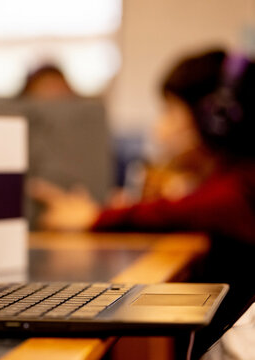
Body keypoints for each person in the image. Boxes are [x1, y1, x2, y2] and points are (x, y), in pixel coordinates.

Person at [30, 49, 255, 356]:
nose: (160, 125)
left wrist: (95, 217)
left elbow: (206, 206)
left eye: (170, 110)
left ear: (213, 119)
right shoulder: (232, 177)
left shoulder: (237, 188)